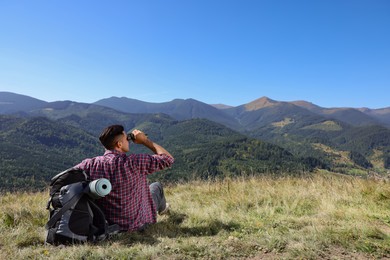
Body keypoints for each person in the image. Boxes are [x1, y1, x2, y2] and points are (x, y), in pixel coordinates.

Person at [75, 124, 174, 232]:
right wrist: (145, 141)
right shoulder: (134, 162)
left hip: (107, 225)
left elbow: (63, 178)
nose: (129, 141)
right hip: (136, 225)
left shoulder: (90, 164)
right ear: (119, 144)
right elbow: (168, 159)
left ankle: (163, 209)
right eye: (127, 139)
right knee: (156, 186)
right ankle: (163, 210)